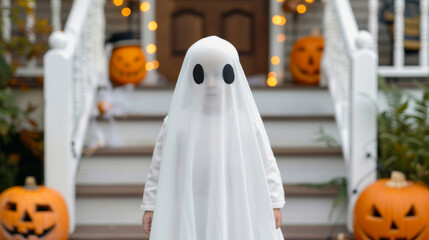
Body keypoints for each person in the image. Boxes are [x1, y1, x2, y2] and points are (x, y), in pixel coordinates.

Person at [141, 36, 285, 239]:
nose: (211, 84)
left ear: (232, 77)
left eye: (219, 75)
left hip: (235, 205)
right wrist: (151, 205)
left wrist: (274, 202)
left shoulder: (245, 123)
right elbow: (160, 166)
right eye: (201, 75)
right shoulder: (177, 123)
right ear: (189, 80)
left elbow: (266, 163)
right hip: (189, 204)